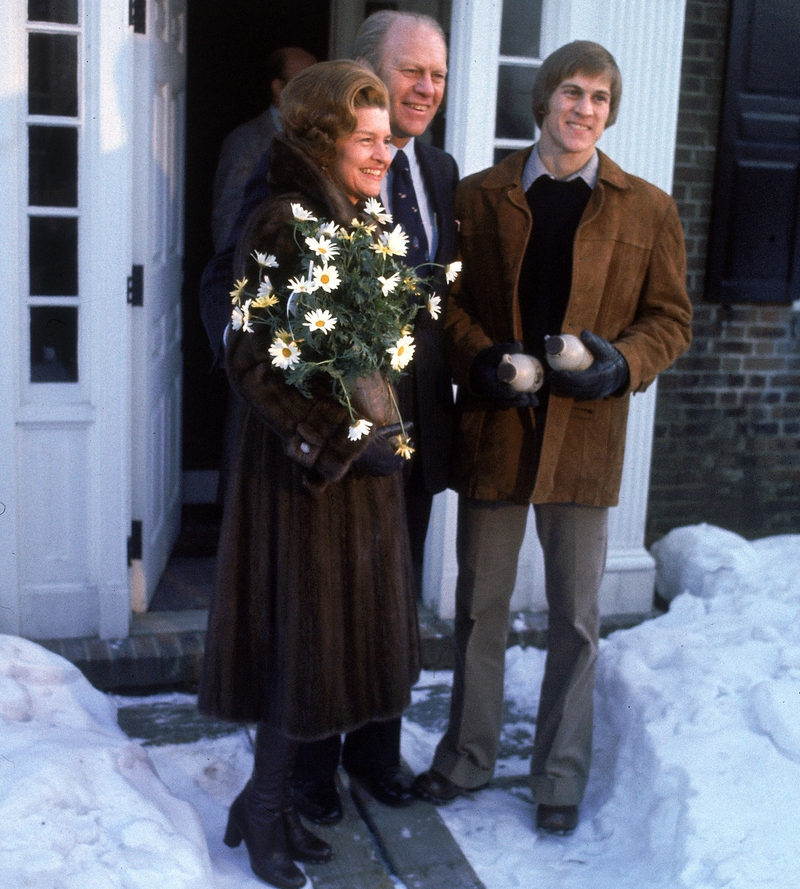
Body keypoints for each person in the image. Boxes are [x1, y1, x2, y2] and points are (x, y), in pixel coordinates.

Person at [412, 41, 693, 836]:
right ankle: (465, 758)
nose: (585, 110)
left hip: (585, 440)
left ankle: (559, 776)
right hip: (497, 432)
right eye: (572, 92)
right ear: (544, 101)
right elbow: (448, 304)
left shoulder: (648, 208)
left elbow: (670, 319)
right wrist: (482, 356)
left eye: (600, 99)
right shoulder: (479, 195)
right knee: (480, 609)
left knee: (574, 617)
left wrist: (622, 364)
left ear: (610, 112)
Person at [198, 10, 459, 824]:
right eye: (369, 136)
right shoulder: (286, 214)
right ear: (329, 131)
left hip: (375, 452)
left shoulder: (388, 197)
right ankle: (282, 792)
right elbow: (248, 335)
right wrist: (327, 431)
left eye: (436, 76)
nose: (389, 149)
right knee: (300, 639)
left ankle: (321, 777)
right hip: (311, 467)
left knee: (348, 633)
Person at [211, 46, 317, 251]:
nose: (317, 90)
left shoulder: (322, 139)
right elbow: (227, 223)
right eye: (307, 82)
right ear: (279, 88)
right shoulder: (245, 142)